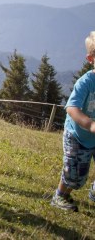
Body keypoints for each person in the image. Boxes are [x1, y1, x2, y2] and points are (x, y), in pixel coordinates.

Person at [50, 31, 95, 212]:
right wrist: (90, 124)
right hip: (78, 136)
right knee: (74, 173)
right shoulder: (86, 82)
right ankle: (60, 196)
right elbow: (72, 108)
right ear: (91, 58)